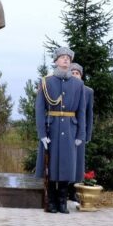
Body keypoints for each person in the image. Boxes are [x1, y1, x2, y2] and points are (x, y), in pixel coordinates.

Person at [35, 47, 87, 213]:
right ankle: (51, 202)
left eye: (68, 58)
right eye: (62, 57)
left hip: (70, 129)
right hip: (52, 128)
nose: (66, 60)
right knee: (51, 165)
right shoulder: (46, 82)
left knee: (67, 165)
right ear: (56, 61)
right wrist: (42, 134)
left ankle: (62, 202)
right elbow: (39, 109)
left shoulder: (78, 84)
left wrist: (80, 134)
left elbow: (81, 111)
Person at [69, 62, 94, 203]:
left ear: (81, 75)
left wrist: (87, 134)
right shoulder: (64, 88)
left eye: (77, 73)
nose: (74, 75)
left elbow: (89, 115)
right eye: (72, 73)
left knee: (78, 163)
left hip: (80, 132)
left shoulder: (88, 91)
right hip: (67, 130)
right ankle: (63, 190)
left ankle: (74, 191)